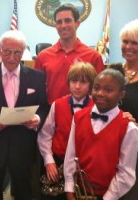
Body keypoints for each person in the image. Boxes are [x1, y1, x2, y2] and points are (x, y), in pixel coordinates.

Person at [0, 30, 50, 200]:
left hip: (23, 145)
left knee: (24, 191)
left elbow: (44, 107)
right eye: (7, 51)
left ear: (23, 52)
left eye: (17, 52)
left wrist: (37, 119)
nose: (11, 57)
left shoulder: (37, 77)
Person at [64, 68, 138, 200]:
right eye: (96, 88)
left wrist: (107, 198)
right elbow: (71, 155)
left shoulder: (129, 128)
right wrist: (69, 187)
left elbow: (126, 173)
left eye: (108, 90)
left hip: (109, 194)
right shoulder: (78, 117)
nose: (100, 93)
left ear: (121, 94)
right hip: (79, 190)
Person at [37, 62, 97, 200]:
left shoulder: (97, 107)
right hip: (58, 161)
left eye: (83, 82)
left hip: (85, 166)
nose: (77, 86)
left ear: (91, 84)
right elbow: (45, 135)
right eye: (73, 80)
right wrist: (48, 161)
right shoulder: (57, 104)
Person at [35, 3, 104, 105]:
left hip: (85, 115)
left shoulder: (94, 56)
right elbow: (37, 90)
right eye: (59, 22)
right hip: (51, 114)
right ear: (55, 26)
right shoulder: (43, 56)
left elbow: (99, 90)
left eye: (67, 20)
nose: (63, 25)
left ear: (77, 23)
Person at [118, 19, 138, 200]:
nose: (128, 46)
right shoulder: (115, 71)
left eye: (135, 42)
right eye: (125, 41)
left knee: (131, 196)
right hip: (112, 145)